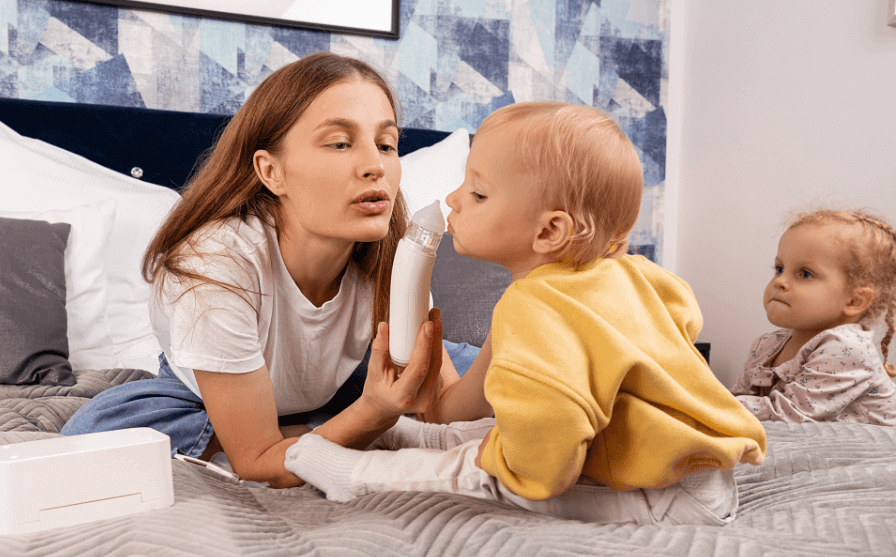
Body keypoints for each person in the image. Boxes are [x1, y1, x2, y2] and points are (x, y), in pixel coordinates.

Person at [284, 102, 768, 526]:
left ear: (549, 231)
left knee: (488, 472)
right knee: (510, 430)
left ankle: (358, 476)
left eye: (478, 194)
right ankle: (425, 440)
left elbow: (541, 466)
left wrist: (485, 466)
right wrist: (439, 423)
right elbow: (681, 316)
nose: (453, 199)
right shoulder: (631, 276)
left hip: (664, 495)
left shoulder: (534, 309)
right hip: (697, 471)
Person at [61, 52, 480, 487]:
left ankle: (317, 425)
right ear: (271, 171)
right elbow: (256, 461)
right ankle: (318, 424)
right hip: (209, 390)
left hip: (345, 376)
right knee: (97, 433)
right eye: (340, 143)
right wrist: (375, 413)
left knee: (503, 378)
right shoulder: (214, 265)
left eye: (386, 144)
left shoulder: (393, 256)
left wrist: (511, 333)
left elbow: (442, 406)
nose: (375, 165)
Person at [730, 209, 896, 425]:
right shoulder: (766, 345)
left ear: (854, 301)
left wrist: (708, 405)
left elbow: (789, 414)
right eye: (779, 269)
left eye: (805, 274)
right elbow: (737, 399)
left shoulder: (848, 349)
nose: (779, 281)